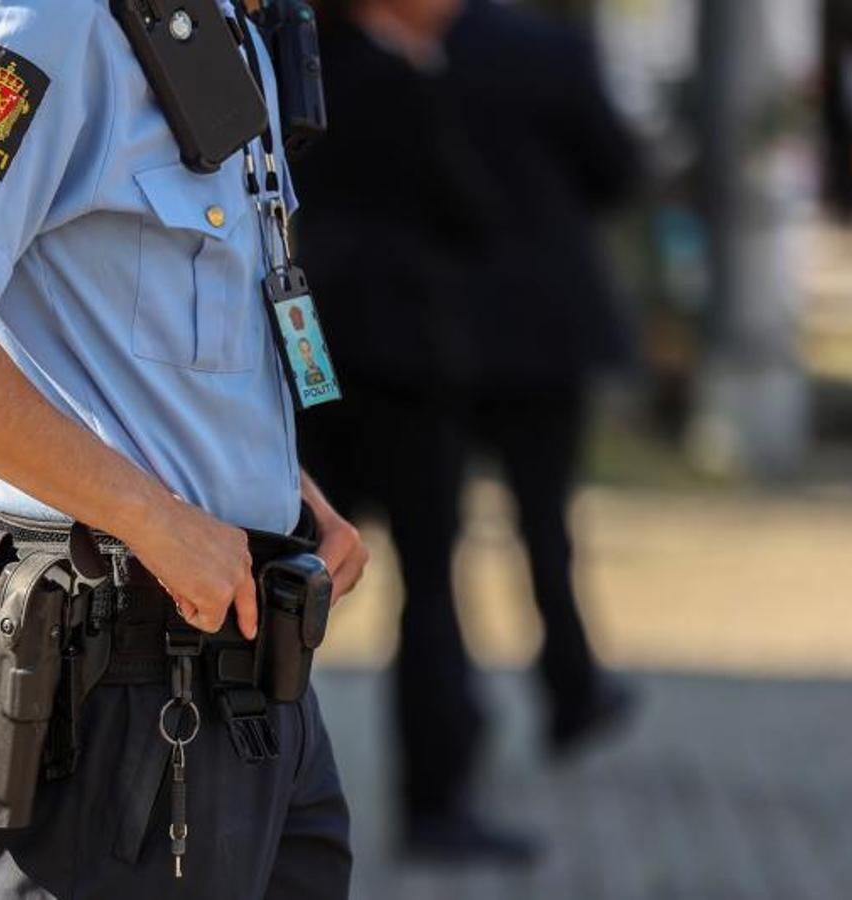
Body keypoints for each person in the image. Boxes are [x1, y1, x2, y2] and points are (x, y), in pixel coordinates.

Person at [0, 0, 368, 896]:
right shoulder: (45, 15)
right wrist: (150, 515)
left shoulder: (224, 23)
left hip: (254, 677)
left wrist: (284, 490)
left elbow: (144, 328)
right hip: (129, 684)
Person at [295, 0, 641, 864]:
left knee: (280, 567)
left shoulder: (287, 64)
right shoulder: (415, 76)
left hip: (308, 350)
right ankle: (439, 791)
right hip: (414, 356)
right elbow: (480, 197)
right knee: (441, 575)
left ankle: (245, 784)